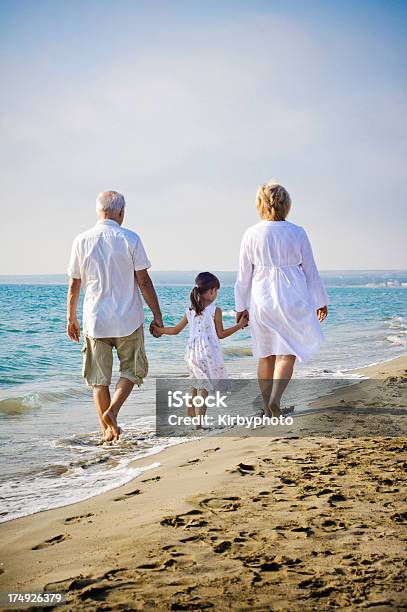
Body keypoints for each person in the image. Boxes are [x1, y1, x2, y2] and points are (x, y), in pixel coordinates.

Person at [66, 190, 163, 441]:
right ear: (121, 211)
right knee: (133, 370)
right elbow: (144, 281)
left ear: (99, 211)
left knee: (99, 380)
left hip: (95, 320)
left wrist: (71, 318)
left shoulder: (81, 240)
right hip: (128, 319)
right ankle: (113, 412)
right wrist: (157, 314)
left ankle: (107, 432)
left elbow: (74, 285)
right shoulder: (130, 238)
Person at [234, 181, 328, 417]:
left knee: (265, 354)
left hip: (261, 297)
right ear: (286, 204)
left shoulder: (251, 233)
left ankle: (268, 407)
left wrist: (240, 307)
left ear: (260, 204)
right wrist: (320, 301)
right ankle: (275, 400)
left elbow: (243, 277)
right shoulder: (297, 232)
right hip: (293, 295)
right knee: (287, 353)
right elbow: (310, 271)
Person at [152, 272, 248, 422]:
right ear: (211, 291)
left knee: (197, 379)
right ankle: (199, 422)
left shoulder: (190, 311)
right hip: (207, 352)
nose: (216, 294)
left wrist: (160, 330)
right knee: (205, 386)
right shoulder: (215, 310)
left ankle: (190, 405)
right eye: (216, 291)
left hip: (191, 353)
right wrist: (239, 325)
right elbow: (221, 334)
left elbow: (176, 330)